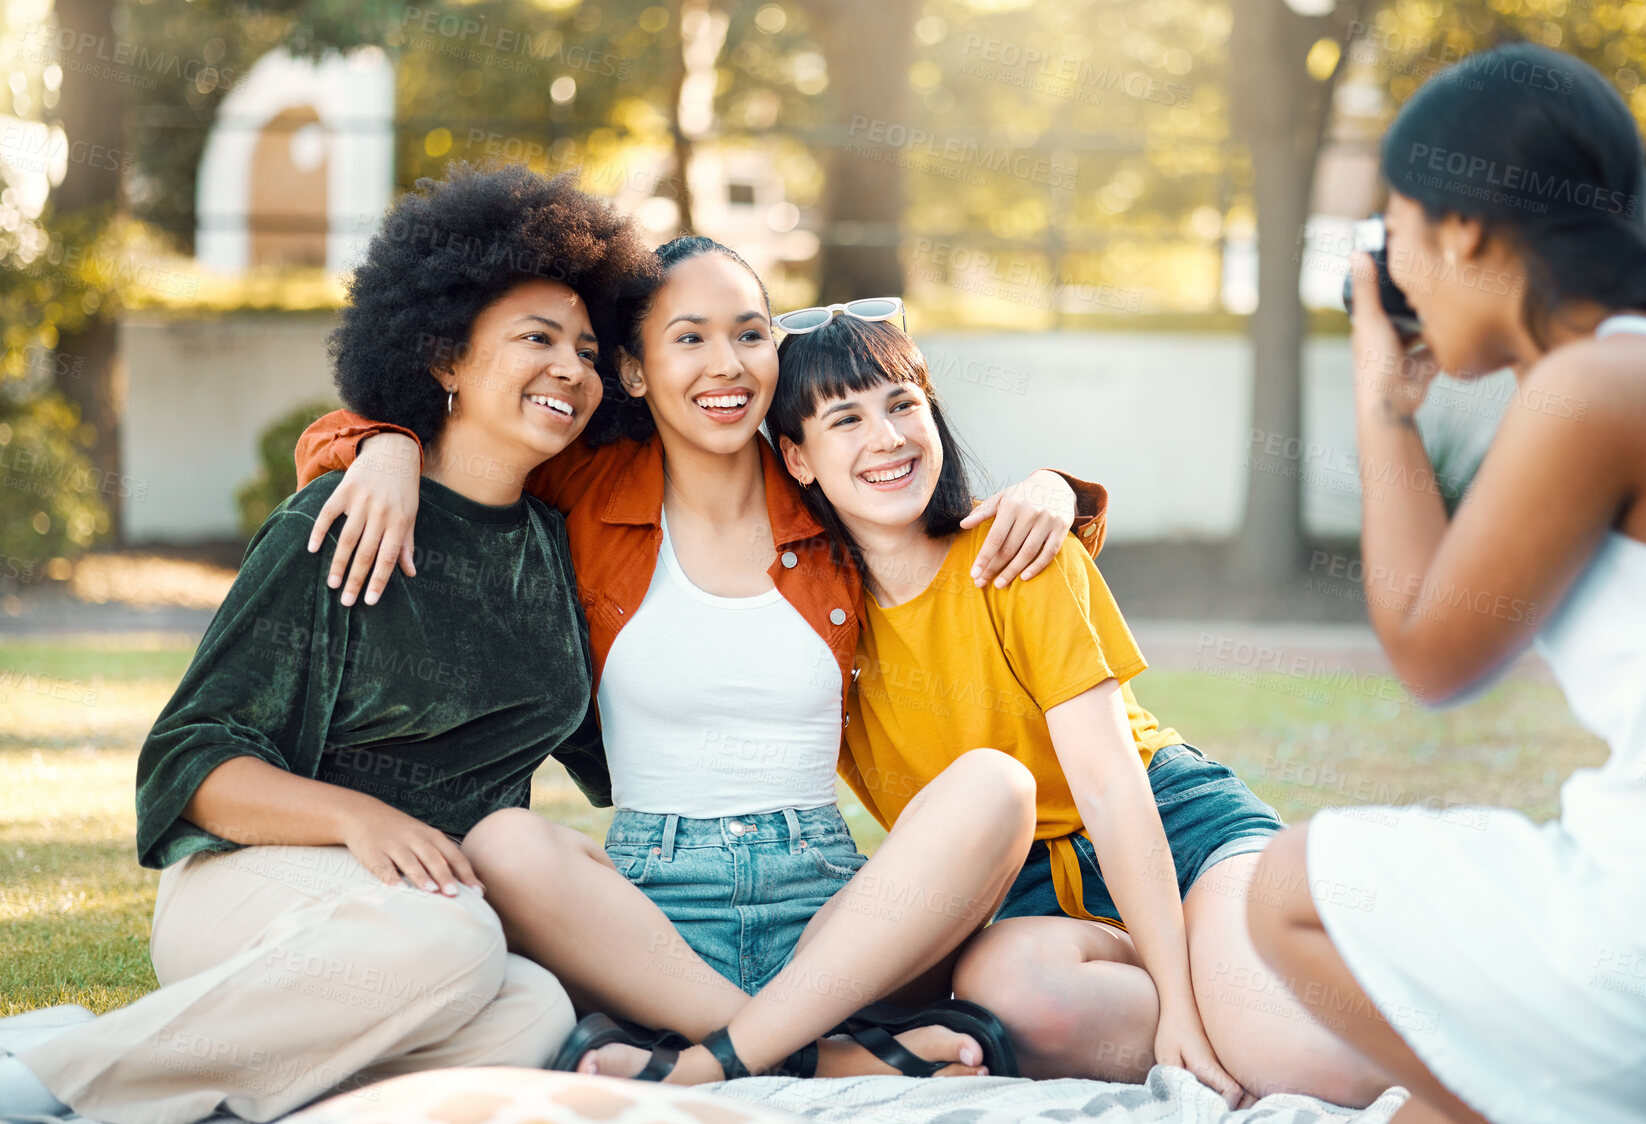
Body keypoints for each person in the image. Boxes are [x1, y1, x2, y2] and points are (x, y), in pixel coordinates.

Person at [290, 237, 1110, 1083]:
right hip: (650, 912)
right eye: (689, 338)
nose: (727, 364)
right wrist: (385, 448)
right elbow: (405, 435)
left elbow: (935, 505)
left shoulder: (818, 476)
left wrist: (1057, 489)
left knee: (994, 787)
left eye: (751, 335)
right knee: (503, 842)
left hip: (833, 910)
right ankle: (823, 1054)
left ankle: (714, 1059)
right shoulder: (582, 488)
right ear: (635, 371)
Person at [0, 163, 654, 1124]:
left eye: (589, 351)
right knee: (459, 947)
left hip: (425, 917)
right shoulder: (341, 514)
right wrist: (358, 818)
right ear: (443, 360)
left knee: (532, 1014)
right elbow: (189, 762)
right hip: (262, 887)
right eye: (535, 338)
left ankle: (177, 1081)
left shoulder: (559, 552)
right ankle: (53, 1084)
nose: (571, 367)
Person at [1242, 43, 1646, 1124]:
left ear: (1464, 228)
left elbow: (1432, 654)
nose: (1392, 266)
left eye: (1395, 230)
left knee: (1287, 889)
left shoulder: (1596, 388)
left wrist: (1384, 406)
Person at [764, 311, 1392, 1109]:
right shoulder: (808, 629)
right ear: (797, 457)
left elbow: (1110, 785)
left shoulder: (1017, 551)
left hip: (1171, 829)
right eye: (844, 419)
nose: (885, 437)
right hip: (1023, 890)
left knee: (1293, 1059)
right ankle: (1225, 1006)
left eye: (902, 403)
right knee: (1019, 995)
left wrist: (1177, 1002)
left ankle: (1264, 1008)